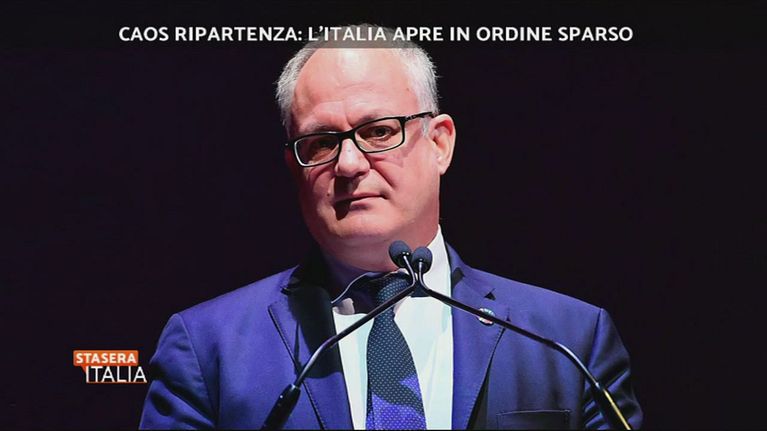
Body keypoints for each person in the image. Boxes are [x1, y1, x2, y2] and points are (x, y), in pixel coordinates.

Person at [139, 24, 643, 429]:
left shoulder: (566, 340)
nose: (349, 164)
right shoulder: (209, 349)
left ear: (439, 143)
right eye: (321, 143)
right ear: (294, 166)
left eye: (379, 131)